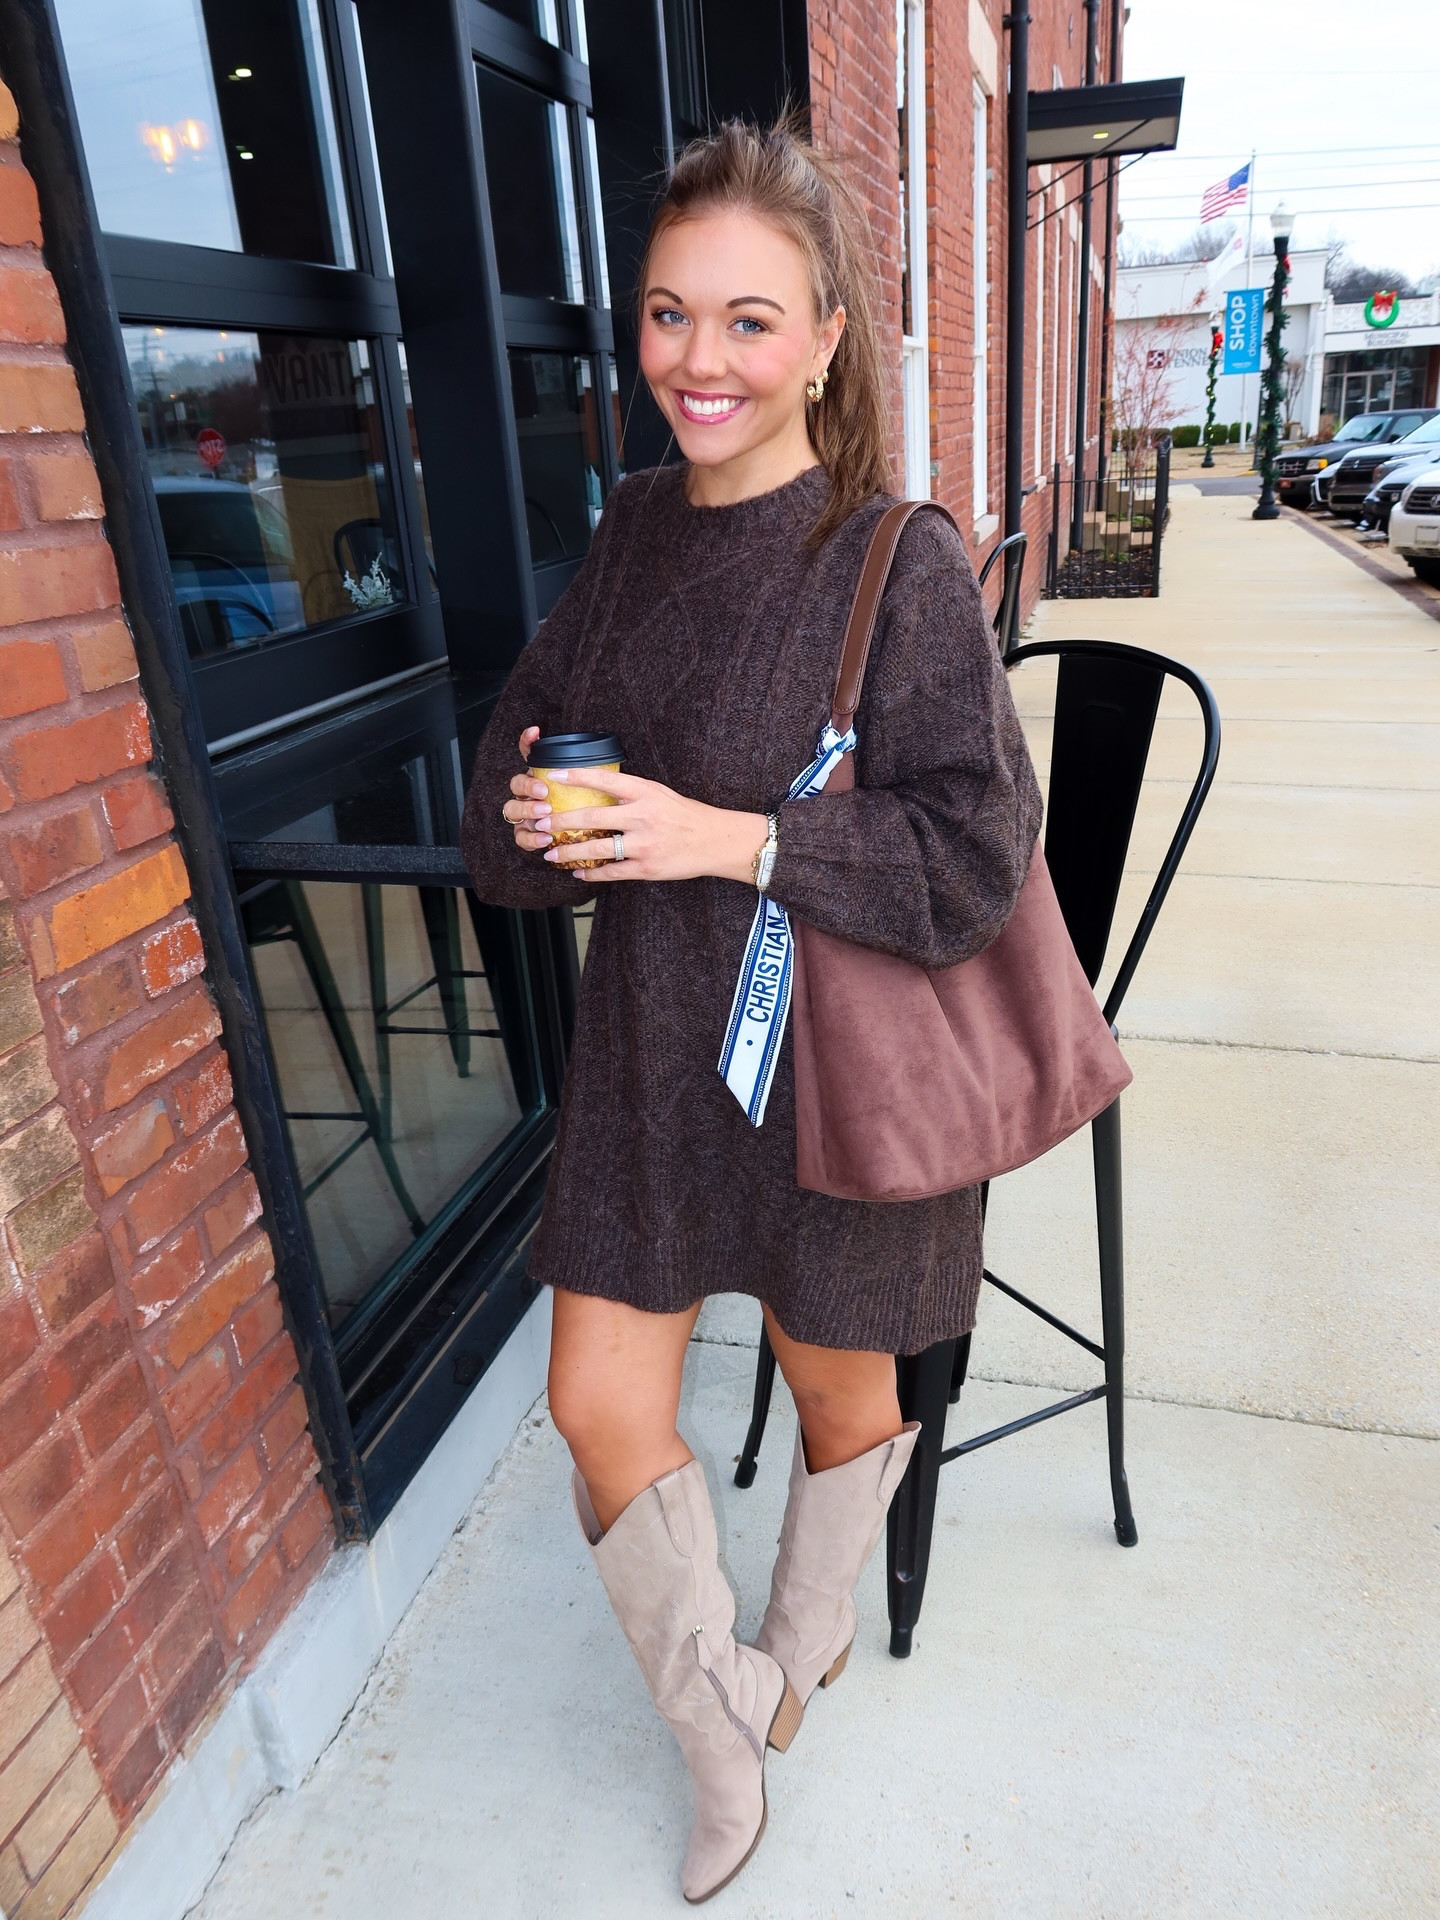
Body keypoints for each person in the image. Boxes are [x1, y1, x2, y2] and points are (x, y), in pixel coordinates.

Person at [461, 118, 1040, 1904]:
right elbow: (524, 747)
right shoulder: (633, 534)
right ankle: (727, 1733)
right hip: (654, 1049)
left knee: (838, 1381)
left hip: (836, 1068)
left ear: (827, 340)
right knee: (596, 1402)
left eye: (748, 322)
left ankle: (801, 1646)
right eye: (665, 316)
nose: (698, 364)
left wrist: (725, 836)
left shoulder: (898, 559)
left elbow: (975, 851)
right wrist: (547, 815)